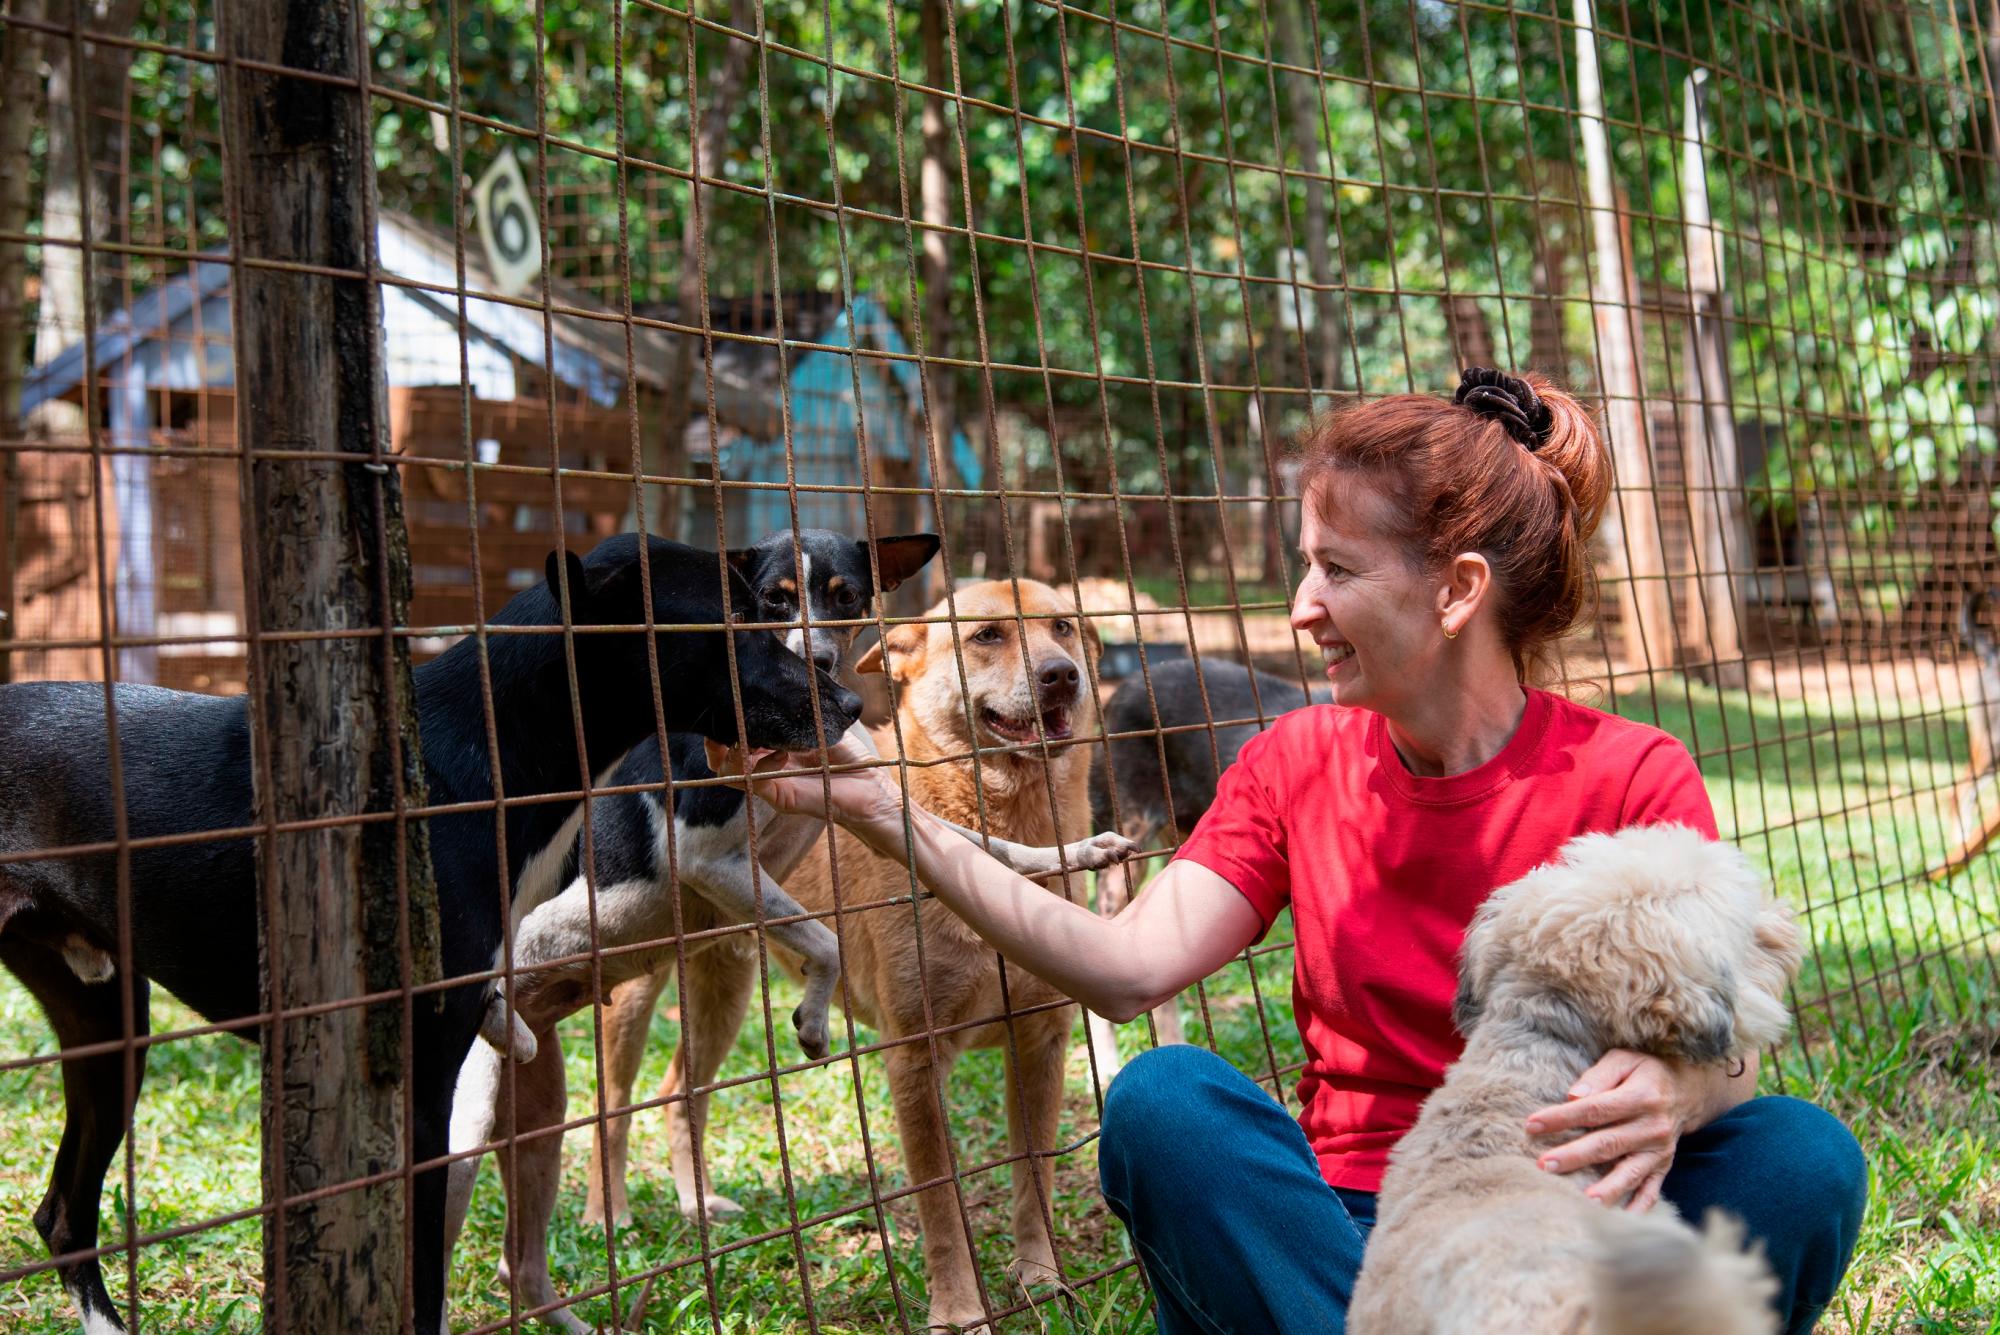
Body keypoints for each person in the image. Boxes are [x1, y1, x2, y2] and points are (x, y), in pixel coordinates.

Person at [726, 368, 1867, 1334]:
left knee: (1799, 1158)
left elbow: (1723, 1052)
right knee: (1166, 1100)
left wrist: (1673, 1088)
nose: (1298, 608)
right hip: (1345, 1233)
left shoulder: (1631, 773)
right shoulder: (1292, 761)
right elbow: (1125, 972)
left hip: (1563, 1215)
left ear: (1458, 591)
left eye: (1335, 570)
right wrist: (891, 818)